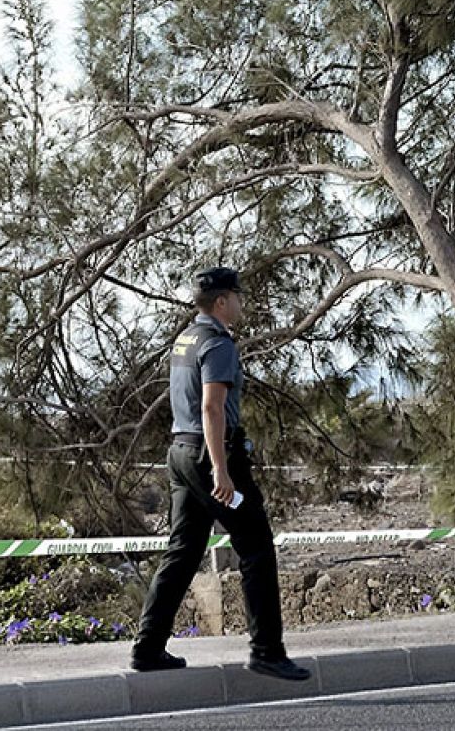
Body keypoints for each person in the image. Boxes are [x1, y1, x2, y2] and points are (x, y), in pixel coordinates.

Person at [130, 266, 310, 681]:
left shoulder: (185, 340)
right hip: (209, 455)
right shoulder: (218, 344)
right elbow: (212, 408)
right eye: (238, 296)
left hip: (179, 452)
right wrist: (221, 470)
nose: (242, 303)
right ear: (223, 302)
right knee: (257, 547)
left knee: (184, 551)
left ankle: (148, 647)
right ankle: (267, 650)